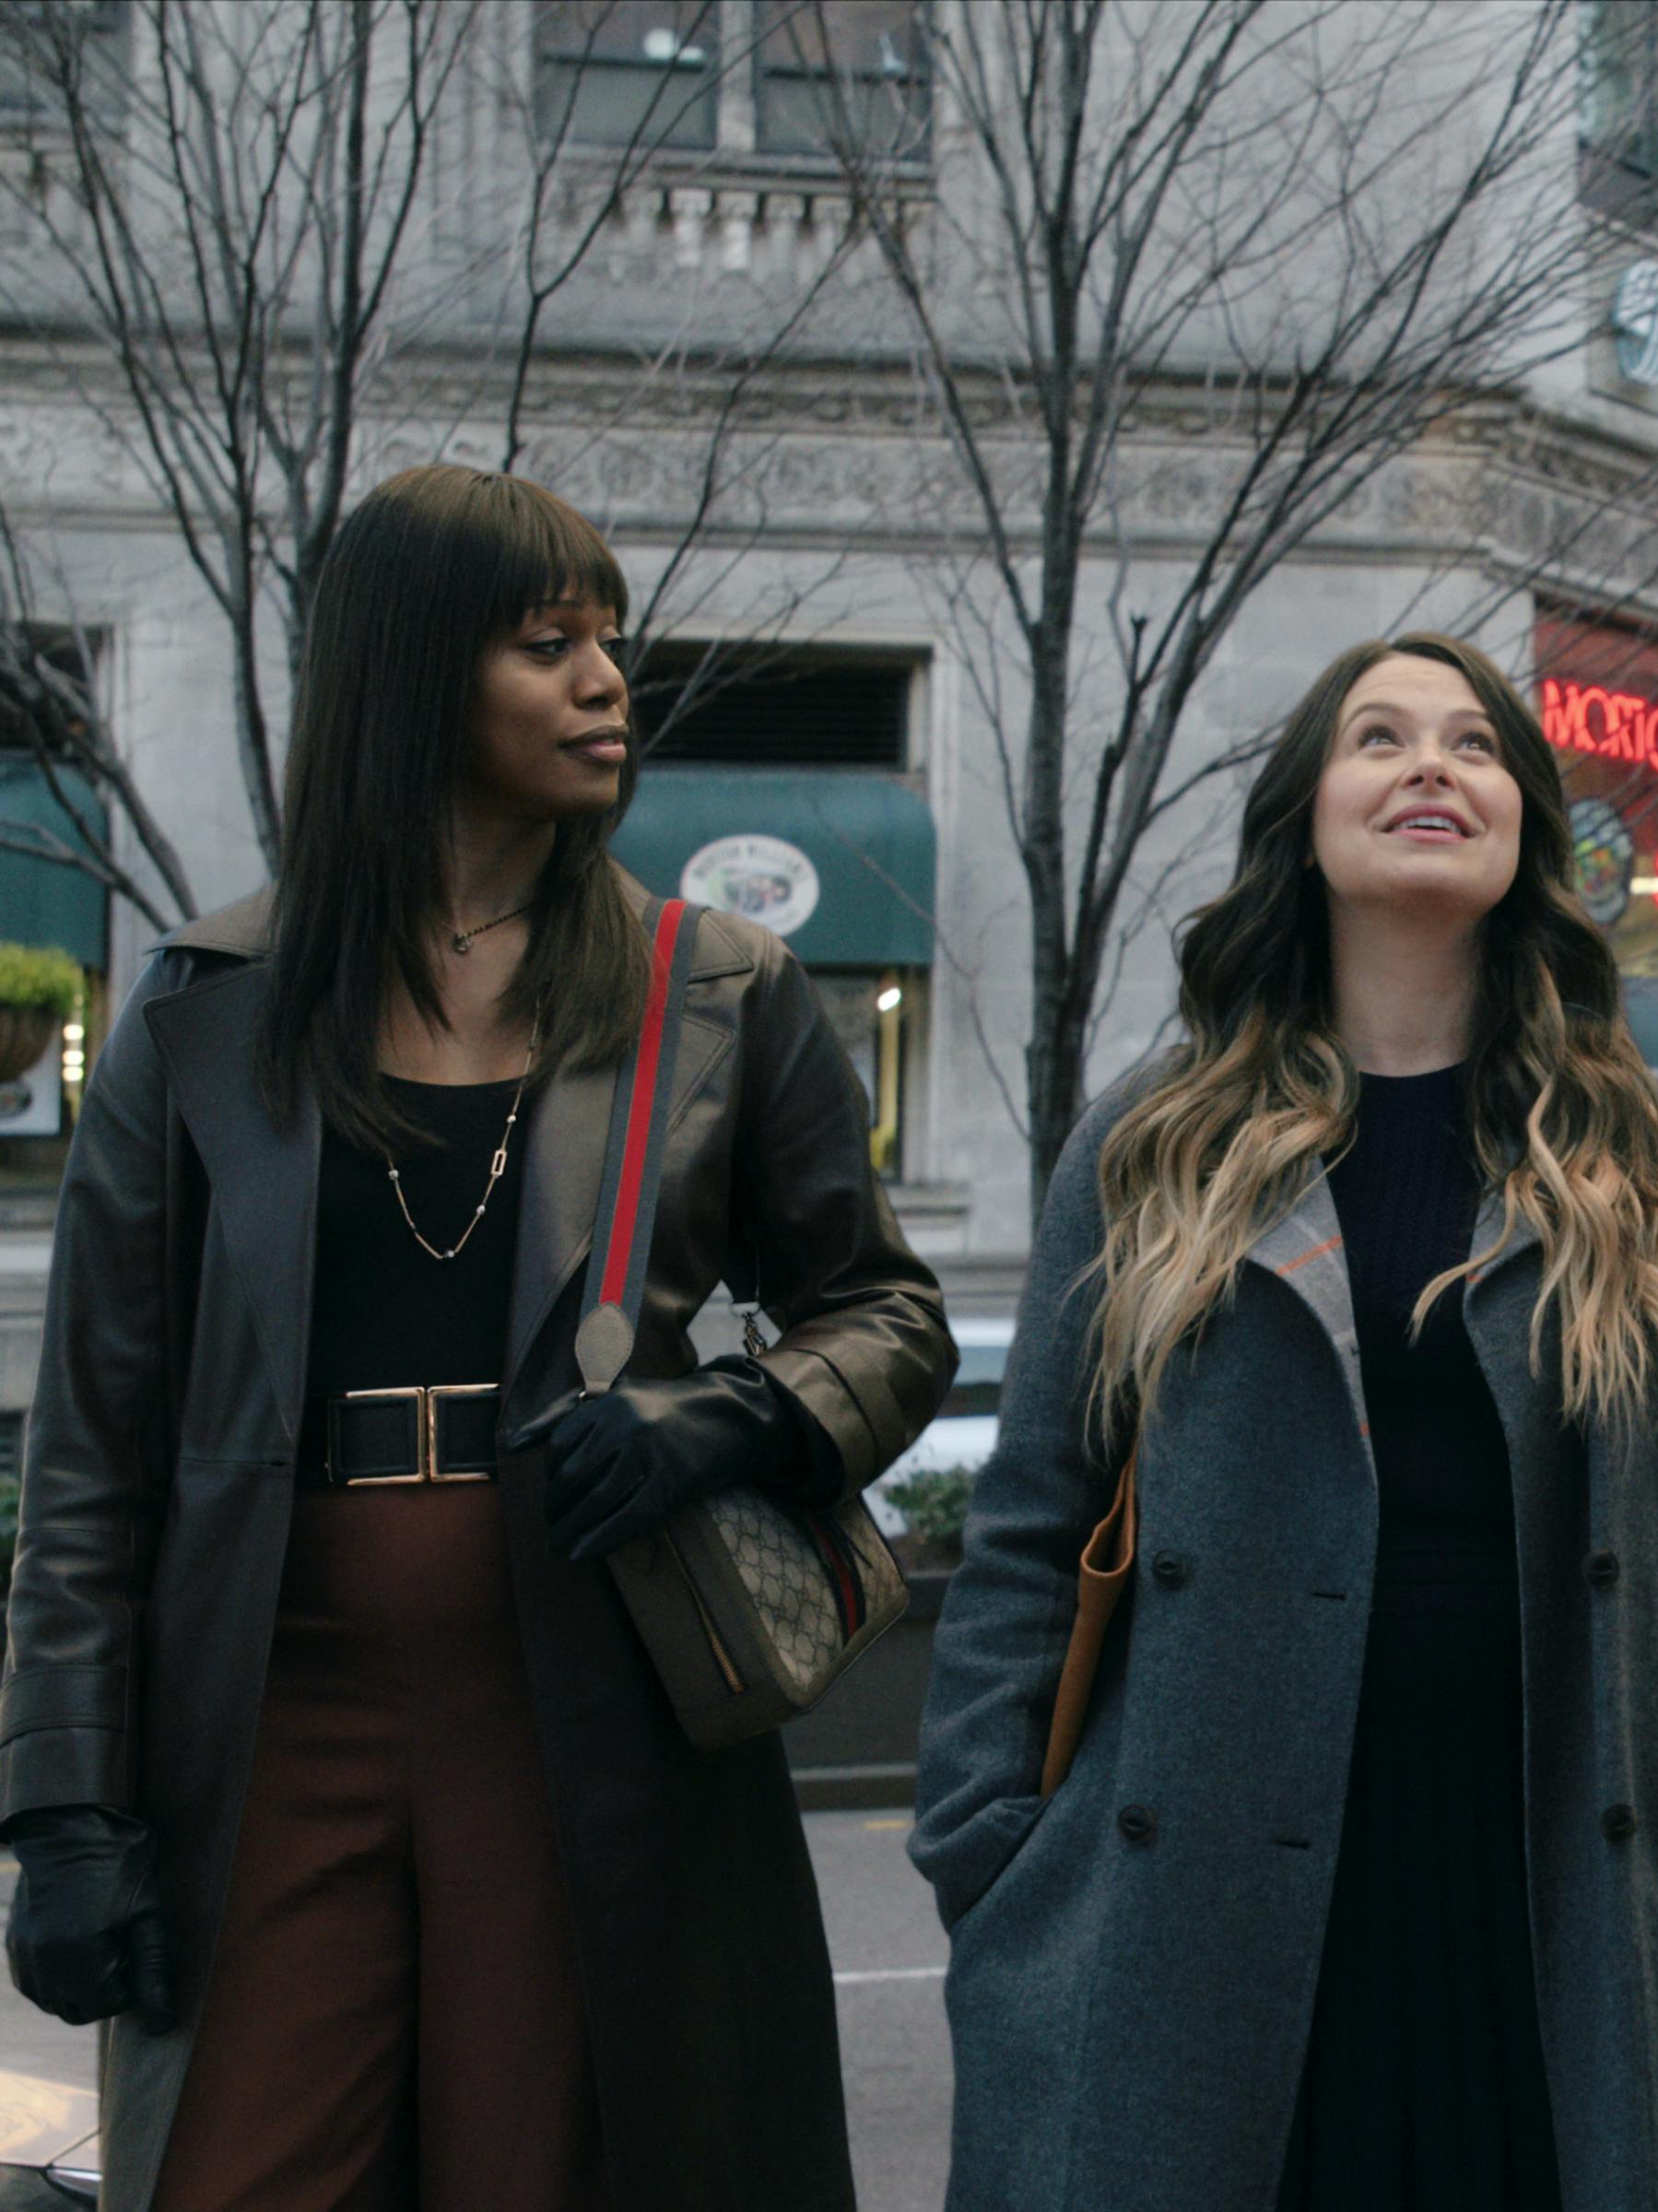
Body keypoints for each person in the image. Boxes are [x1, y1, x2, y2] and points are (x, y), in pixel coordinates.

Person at [0, 464, 956, 2212]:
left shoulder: (714, 985)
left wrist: (733, 1417)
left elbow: (890, 1314)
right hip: (273, 1706)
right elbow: (91, 1453)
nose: (608, 682)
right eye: (547, 643)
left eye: (610, 641)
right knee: (234, 2169)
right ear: (411, 675)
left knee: (549, 2169)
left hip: (589, 1693)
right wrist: (61, 1808)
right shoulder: (210, 1009)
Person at [914, 631, 1658, 2212]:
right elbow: (1033, 1522)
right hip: (1192, 1875)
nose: (1430, 767)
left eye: (1473, 744)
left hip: (1566, 1880)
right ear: (1306, 814)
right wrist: (991, 1847)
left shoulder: (1651, 1154)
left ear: (1525, 817)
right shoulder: (1156, 1141)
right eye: (1379, 737)